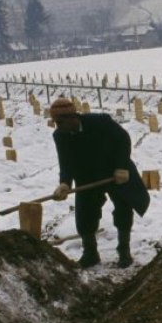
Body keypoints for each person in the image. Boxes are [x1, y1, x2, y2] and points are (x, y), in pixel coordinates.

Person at [50, 97, 150, 268]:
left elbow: (123, 139)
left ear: (72, 117)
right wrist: (65, 183)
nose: (58, 126)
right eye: (55, 122)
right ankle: (90, 253)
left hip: (116, 172)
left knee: (123, 207)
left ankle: (124, 250)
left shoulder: (100, 122)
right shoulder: (60, 135)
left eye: (60, 121)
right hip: (87, 176)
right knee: (84, 213)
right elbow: (65, 162)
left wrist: (121, 167)